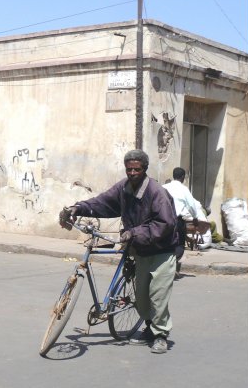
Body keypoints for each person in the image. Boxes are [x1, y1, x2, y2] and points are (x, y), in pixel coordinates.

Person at [58, 149, 178, 354]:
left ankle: (160, 335)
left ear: (144, 169)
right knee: (141, 297)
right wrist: (77, 208)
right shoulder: (124, 189)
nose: (132, 173)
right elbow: (102, 202)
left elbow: (164, 224)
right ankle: (149, 328)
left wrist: (134, 233)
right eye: (129, 169)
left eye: (136, 169)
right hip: (140, 250)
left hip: (161, 252)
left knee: (157, 296)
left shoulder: (157, 193)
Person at [162, 167, 202, 279]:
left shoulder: (164, 187)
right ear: (183, 177)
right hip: (177, 221)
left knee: (165, 243)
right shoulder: (184, 189)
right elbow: (191, 205)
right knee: (179, 244)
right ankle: (171, 264)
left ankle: (166, 266)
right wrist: (195, 217)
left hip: (163, 220)